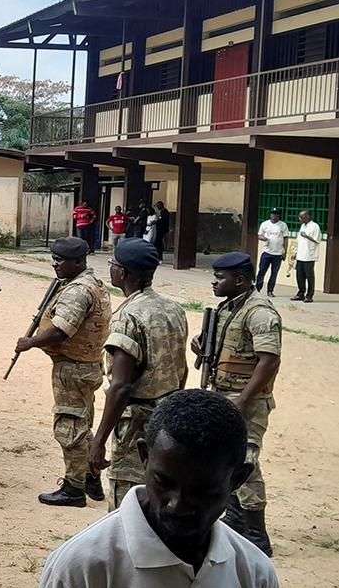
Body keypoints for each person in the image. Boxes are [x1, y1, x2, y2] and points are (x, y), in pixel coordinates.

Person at [19, 390, 283, 588]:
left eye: (202, 491)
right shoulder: (80, 569)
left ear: (237, 480)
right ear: (145, 457)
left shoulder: (255, 575)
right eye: (164, 481)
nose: (177, 505)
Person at [193, 251, 282, 556]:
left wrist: (243, 401)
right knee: (224, 458)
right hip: (223, 394)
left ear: (240, 280)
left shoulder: (259, 312)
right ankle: (234, 519)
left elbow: (269, 360)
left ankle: (257, 534)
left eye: (220, 277)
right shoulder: (230, 308)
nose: (214, 282)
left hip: (248, 401)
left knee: (245, 462)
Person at [88, 238, 188, 509]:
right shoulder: (174, 309)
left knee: (127, 503)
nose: (110, 269)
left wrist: (99, 441)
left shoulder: (127, 317)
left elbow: (121, 386)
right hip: (168, 421)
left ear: (122, 273)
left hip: (136, 424)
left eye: (113, 265)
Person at [15, 237, 110, 507]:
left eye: (61, 261)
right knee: (82, 425)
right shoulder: (92, 284)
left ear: (79, 262)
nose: (55, 264)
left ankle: (73, 488)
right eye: (54, 259)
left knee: (70, 427)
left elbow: (60, 330)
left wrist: (30, 342)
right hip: (86, 364)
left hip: (73, 368)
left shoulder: (78, 291)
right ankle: (91, 477)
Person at [255, 208, 289, 297]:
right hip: (267, 252)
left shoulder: (283, 225)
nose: (274, 216)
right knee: (261, 271)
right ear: (270, 215)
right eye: (272, 214)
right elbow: (259, 235)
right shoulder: (265, 224)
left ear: (279, 215)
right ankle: (257, 289)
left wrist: (285, 252)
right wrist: (263, 238)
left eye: (276, 214)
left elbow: (285, 239)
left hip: (277, 254)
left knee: (274, 273)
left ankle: (270, 291)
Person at [292, 209, 321, 303]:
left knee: (309, 276)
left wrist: (307, 236)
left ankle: (309, 295)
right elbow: (299, 241)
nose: (300, 218)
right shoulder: (302, 226)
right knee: (299, 275)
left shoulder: (315, 226)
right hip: (300, 255)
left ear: (308, 216)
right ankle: (301, 294)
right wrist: (295, 253)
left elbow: (317, 240)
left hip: (309, 255)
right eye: (299, 217)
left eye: (302, 216)